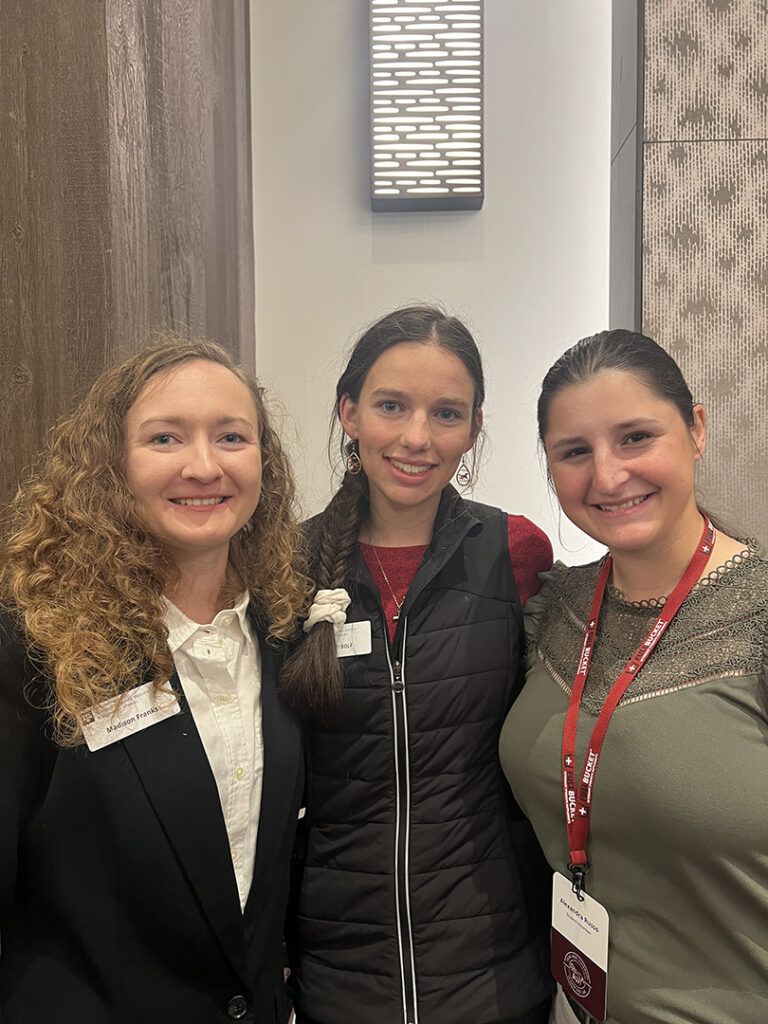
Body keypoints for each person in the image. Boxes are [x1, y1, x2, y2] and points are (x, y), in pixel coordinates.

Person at [0, 339, 310, 1023]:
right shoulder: (34, 640)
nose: (204, 466)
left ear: (265, 463)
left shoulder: (282, 629)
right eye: (165, 438)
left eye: (232, 436)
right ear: (110, 466)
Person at [280, 306, 555, 1024]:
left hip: (495, 971)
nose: (416, 438)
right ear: (349, 412)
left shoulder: (516, 553)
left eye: (446, 414)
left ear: (474, 428)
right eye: (391, 406)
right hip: (339, 973)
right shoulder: (284, 568)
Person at [500, 329, 768, 1024]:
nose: (608, 476)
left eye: (635, 437)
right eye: (574, 452)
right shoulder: (552, 609)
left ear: (697, 428)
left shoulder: (759, 615)